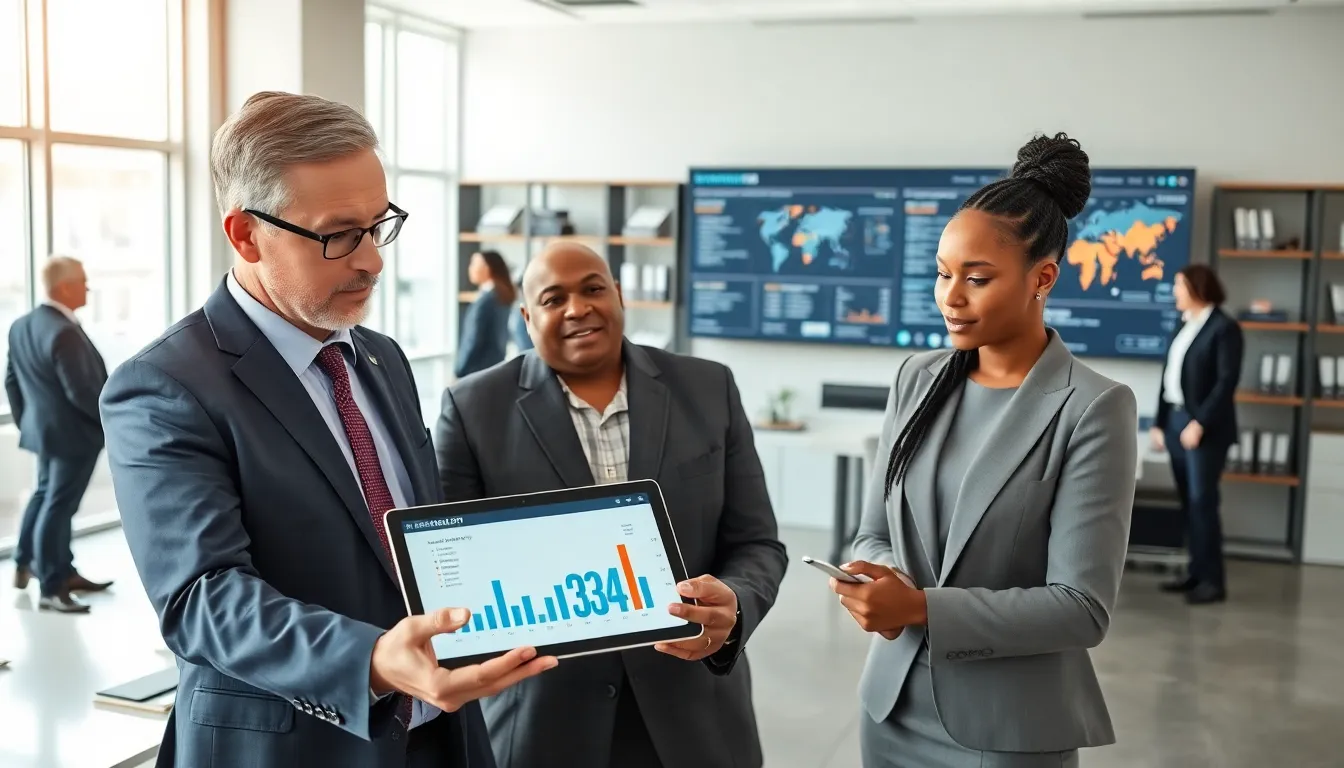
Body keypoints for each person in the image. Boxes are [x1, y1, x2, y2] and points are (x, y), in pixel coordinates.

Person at [98, 91, 554, 768]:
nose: (372, 259)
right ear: (246, 234)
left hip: (436, 735)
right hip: (296, 747)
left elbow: (412, 535)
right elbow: (204, 599)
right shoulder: (166, 387)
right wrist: (371, 659)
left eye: (380, 224)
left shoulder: (378, 357)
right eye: (339, 235)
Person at [830, 133, 1137, 768]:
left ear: (1042, 278)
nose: (951, 296)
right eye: (943, 274)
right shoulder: (917, 378)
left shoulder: (1092, 406)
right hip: (890, 707)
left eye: (977, 278)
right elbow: (871, 532)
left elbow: (1081, 610)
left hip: (1008, 729)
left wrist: (918, 606)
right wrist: (877, 576)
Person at [434, 241, 787, 768]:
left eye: (593, 289)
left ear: (619, 295)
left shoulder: (708, 387)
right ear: (527, 318)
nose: (578, 308)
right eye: (554, 299)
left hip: (695, 711)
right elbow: (451, 570)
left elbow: (757, 542)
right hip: (543, 721)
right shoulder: (472, 408)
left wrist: (735, 604)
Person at [6, 255, 113, 613]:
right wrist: (111, 425)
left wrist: (28, 422)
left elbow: (11, 380)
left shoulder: (22, 325)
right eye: (83, 281)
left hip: (44, 433)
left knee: (44, 497)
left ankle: (29, 562)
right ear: (65, 287)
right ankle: (52, 586)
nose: (87, 288)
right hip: (73, 436)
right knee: (58, 505)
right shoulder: (64, 331)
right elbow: (82, 392)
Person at [1151, 264, 1241, 605]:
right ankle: (1195, 573)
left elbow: (1225, 383)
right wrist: (1160, 423)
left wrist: (1200, 423)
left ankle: (1213, 582)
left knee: (1204, 503)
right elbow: (1169, 377)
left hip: (1204, 429)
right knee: (1189, 504)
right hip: (1175, 424)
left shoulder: (1224, 328)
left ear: (1197, 288)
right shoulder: (1183, 324)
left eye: (1179, 286)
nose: (1174, 292)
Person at [454, 250, 516, 379]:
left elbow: (473, 340)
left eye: (474, 264)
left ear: (487, 268)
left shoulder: (485, 302)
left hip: (476, 372)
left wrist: (459, 370)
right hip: (494, 369)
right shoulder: (501, 297)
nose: (470, 269)